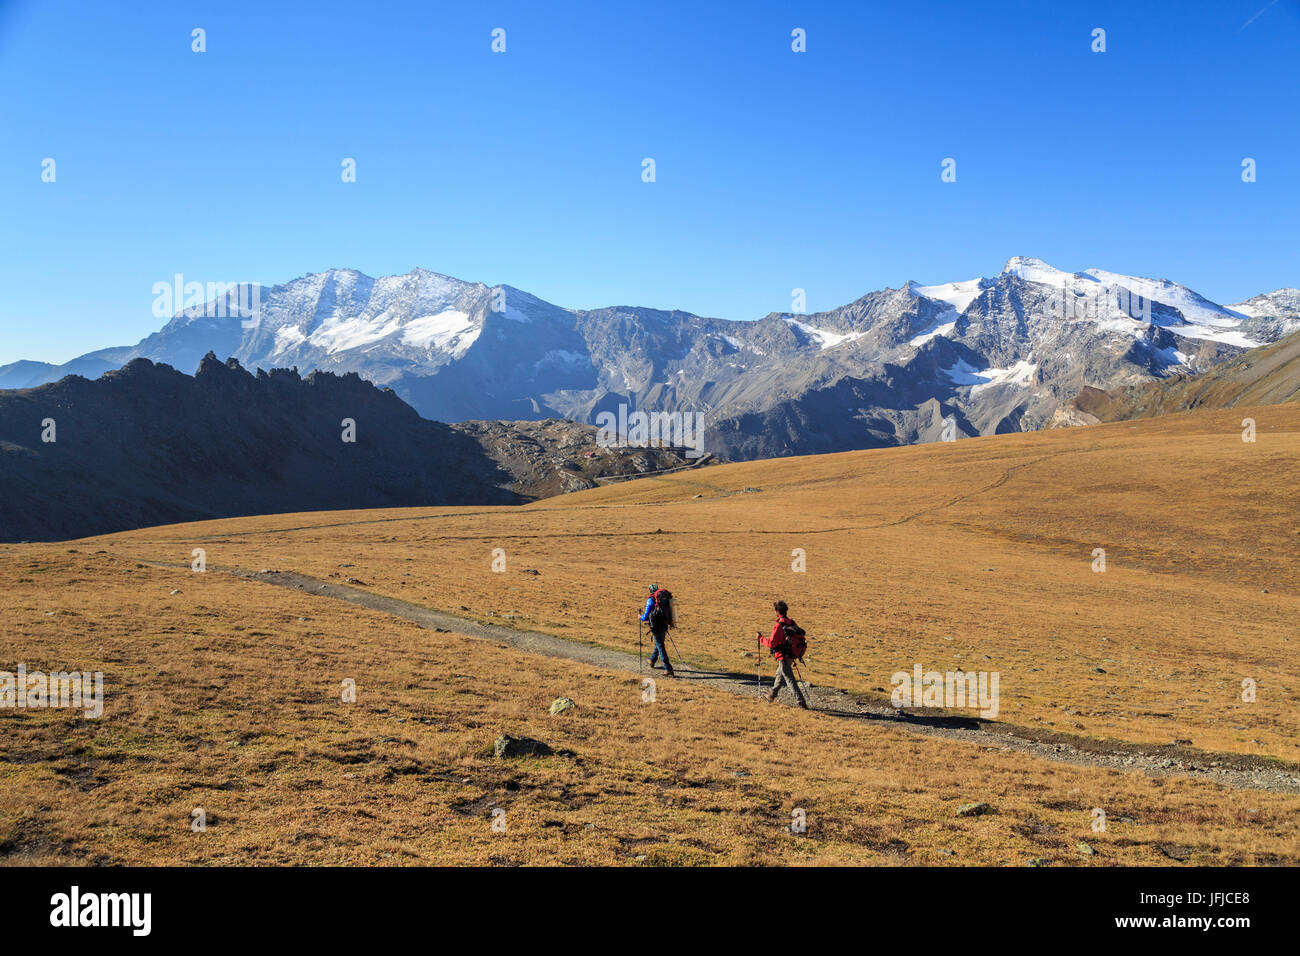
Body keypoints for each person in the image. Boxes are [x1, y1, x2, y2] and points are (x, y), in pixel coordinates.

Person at [759, 600, 807, 708]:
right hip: (791, 655)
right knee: (780, 674)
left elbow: (771, 643)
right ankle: (772, 694)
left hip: (783, 656)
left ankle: (801, 702)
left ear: (776, 611)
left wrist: (761, 639)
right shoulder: (792, 622)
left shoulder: (779, 626)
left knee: (789, 679)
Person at [639, 584, 675, 677]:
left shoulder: (651, 600)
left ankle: (668, 668)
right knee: (659, 643)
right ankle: (652, 660)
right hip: (664, 624)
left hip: (656, 626)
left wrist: (640, 617)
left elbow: (646, 616)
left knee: (660, 646)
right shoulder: (663, 598)